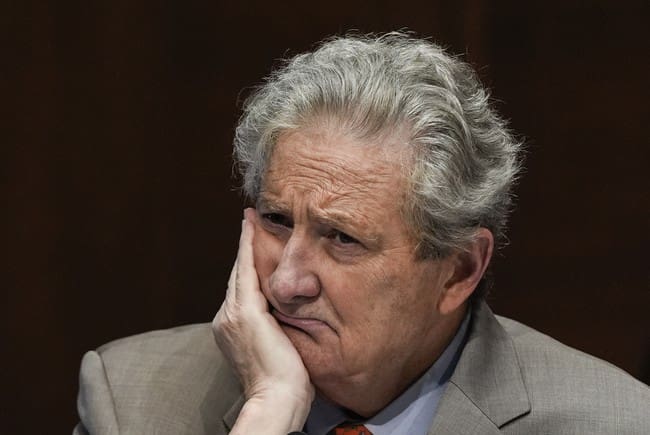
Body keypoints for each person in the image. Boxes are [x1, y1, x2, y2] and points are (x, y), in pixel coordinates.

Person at [74, 33, 649, 435]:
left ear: (459, 270)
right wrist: (269, 411)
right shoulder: (129, 402)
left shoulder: (614, 423)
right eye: (276, 221)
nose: (287, 282)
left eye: (342, 239)